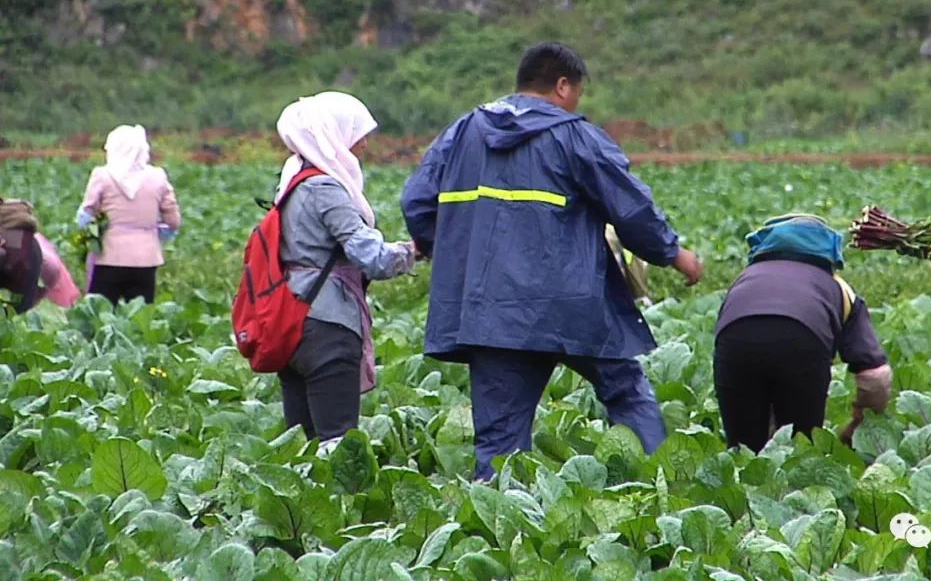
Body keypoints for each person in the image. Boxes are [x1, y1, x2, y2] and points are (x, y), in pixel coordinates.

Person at [401, 42, 703, 479]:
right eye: (576, 91)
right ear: (563, 85)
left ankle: (499, 532)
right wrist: (675, 255)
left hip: (491, 313)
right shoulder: (575, 136)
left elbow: (416, 202)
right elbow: (631, 209)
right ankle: (659, 489)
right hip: (573, 304)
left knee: (500, 443)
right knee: (626, 392)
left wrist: (453, 252)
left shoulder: (463, 131)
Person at [274, 91, 416, 453]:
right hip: (327, 320)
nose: (364, 143)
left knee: (303, 442)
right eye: (357, 133)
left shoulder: (292, 178)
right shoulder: (326, 187)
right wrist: (414, 251)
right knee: (336, 441)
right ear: (333, 135)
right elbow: (372, 258)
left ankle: (304, 507)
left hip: (289, 316)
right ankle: (340, 507)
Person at [713, 214, 892, 453]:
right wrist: (858, 428)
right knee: (801, 451)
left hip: (735, 340)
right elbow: (876, 376)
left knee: (742, 452)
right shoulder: (839, 288)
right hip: (803, 341)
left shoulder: (744, 280)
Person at [76, 125, 181, 304]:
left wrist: (93, 233)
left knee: (102, 314)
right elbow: (173, 221)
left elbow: (86, 215)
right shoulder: (158, 177)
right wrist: (156, 233)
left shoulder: (102, 176)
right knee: (140, 317)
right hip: (146, 259)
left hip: (109, 256)